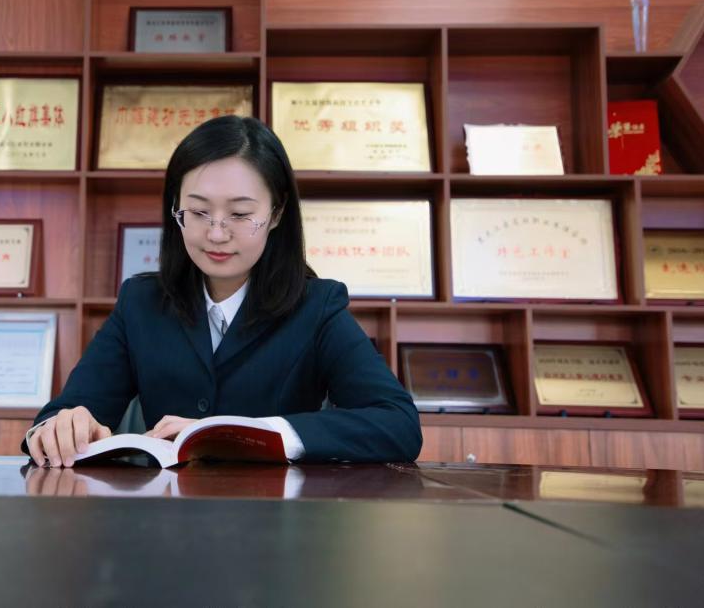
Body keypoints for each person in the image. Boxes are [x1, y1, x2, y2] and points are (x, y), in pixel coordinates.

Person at [23, 115, 422, 467]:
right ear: (175, 208)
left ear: (276, 213)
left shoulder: (316, 308)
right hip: (163, 519)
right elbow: (62, 414)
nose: (216, 234)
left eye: (240, 214)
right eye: (198, 212)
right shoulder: (141, 303)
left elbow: (397, 423)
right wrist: (62, 426)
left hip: (280, 520)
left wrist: (246, 435)